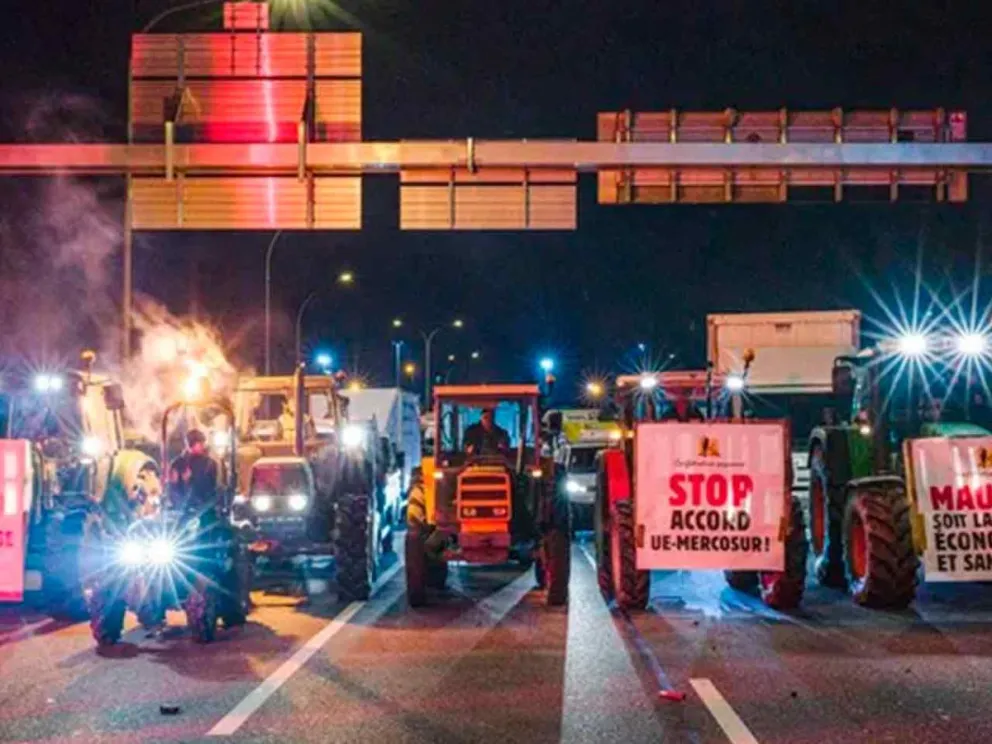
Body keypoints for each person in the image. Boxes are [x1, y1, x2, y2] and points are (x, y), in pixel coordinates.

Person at [168, 428, 219, 515]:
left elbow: (211, 487)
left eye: (202, 442)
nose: (203, 445)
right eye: (200, 443)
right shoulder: (177, 464)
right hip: (183, 510)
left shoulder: (209, 463)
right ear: (191, 444)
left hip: (203, 508)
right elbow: (173, 488)